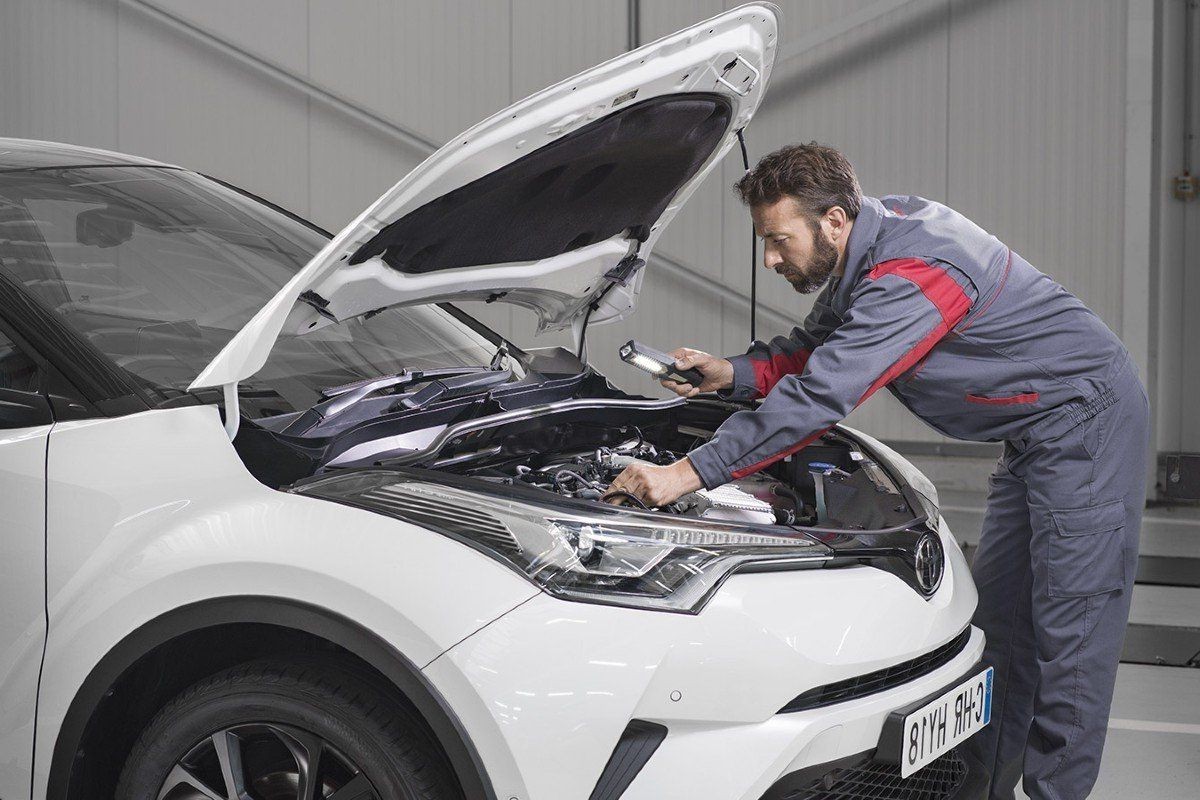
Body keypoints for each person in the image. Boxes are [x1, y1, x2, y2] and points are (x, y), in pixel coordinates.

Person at [607, 143, 1149, 800]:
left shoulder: (913, 274)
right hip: (1032, 436)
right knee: (1000, 633)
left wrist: (686, 475)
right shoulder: (870, 249)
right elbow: (811, 353)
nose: (772, 259)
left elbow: (821, 395)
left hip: (1086, 424)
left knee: (1072, 635)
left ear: (834, 220)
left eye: (779, 241)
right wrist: (734, 371)